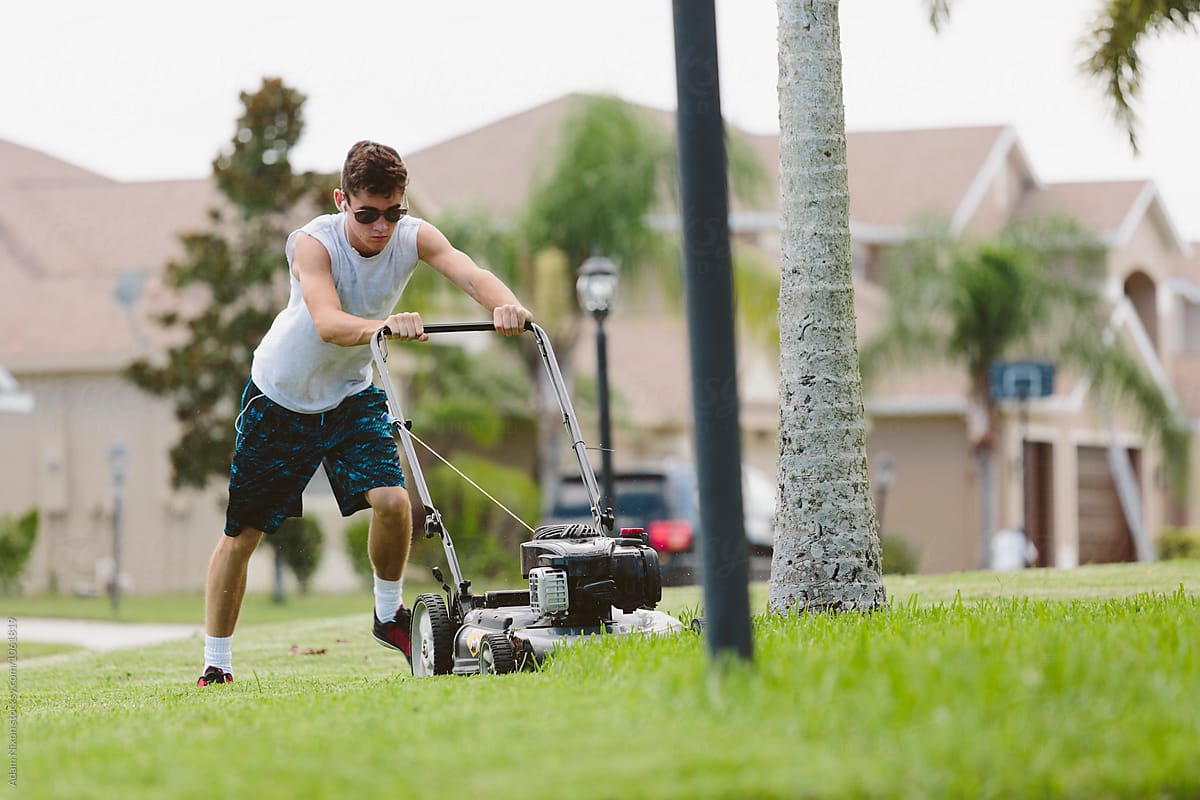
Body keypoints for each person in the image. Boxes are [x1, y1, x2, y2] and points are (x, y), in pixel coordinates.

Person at [197, 140, 533, 686]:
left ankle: (387, 615)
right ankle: (216, 663)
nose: (382, 227)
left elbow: (469, 273)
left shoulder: (412, 235)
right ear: (341, 201)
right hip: (281, 397)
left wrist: (506, 305)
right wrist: (382, 326)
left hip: (351, 394)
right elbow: (328, 321)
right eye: (368, 214)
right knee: (244, 535)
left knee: (395, 502)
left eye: (393, 212)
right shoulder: (313, 244)